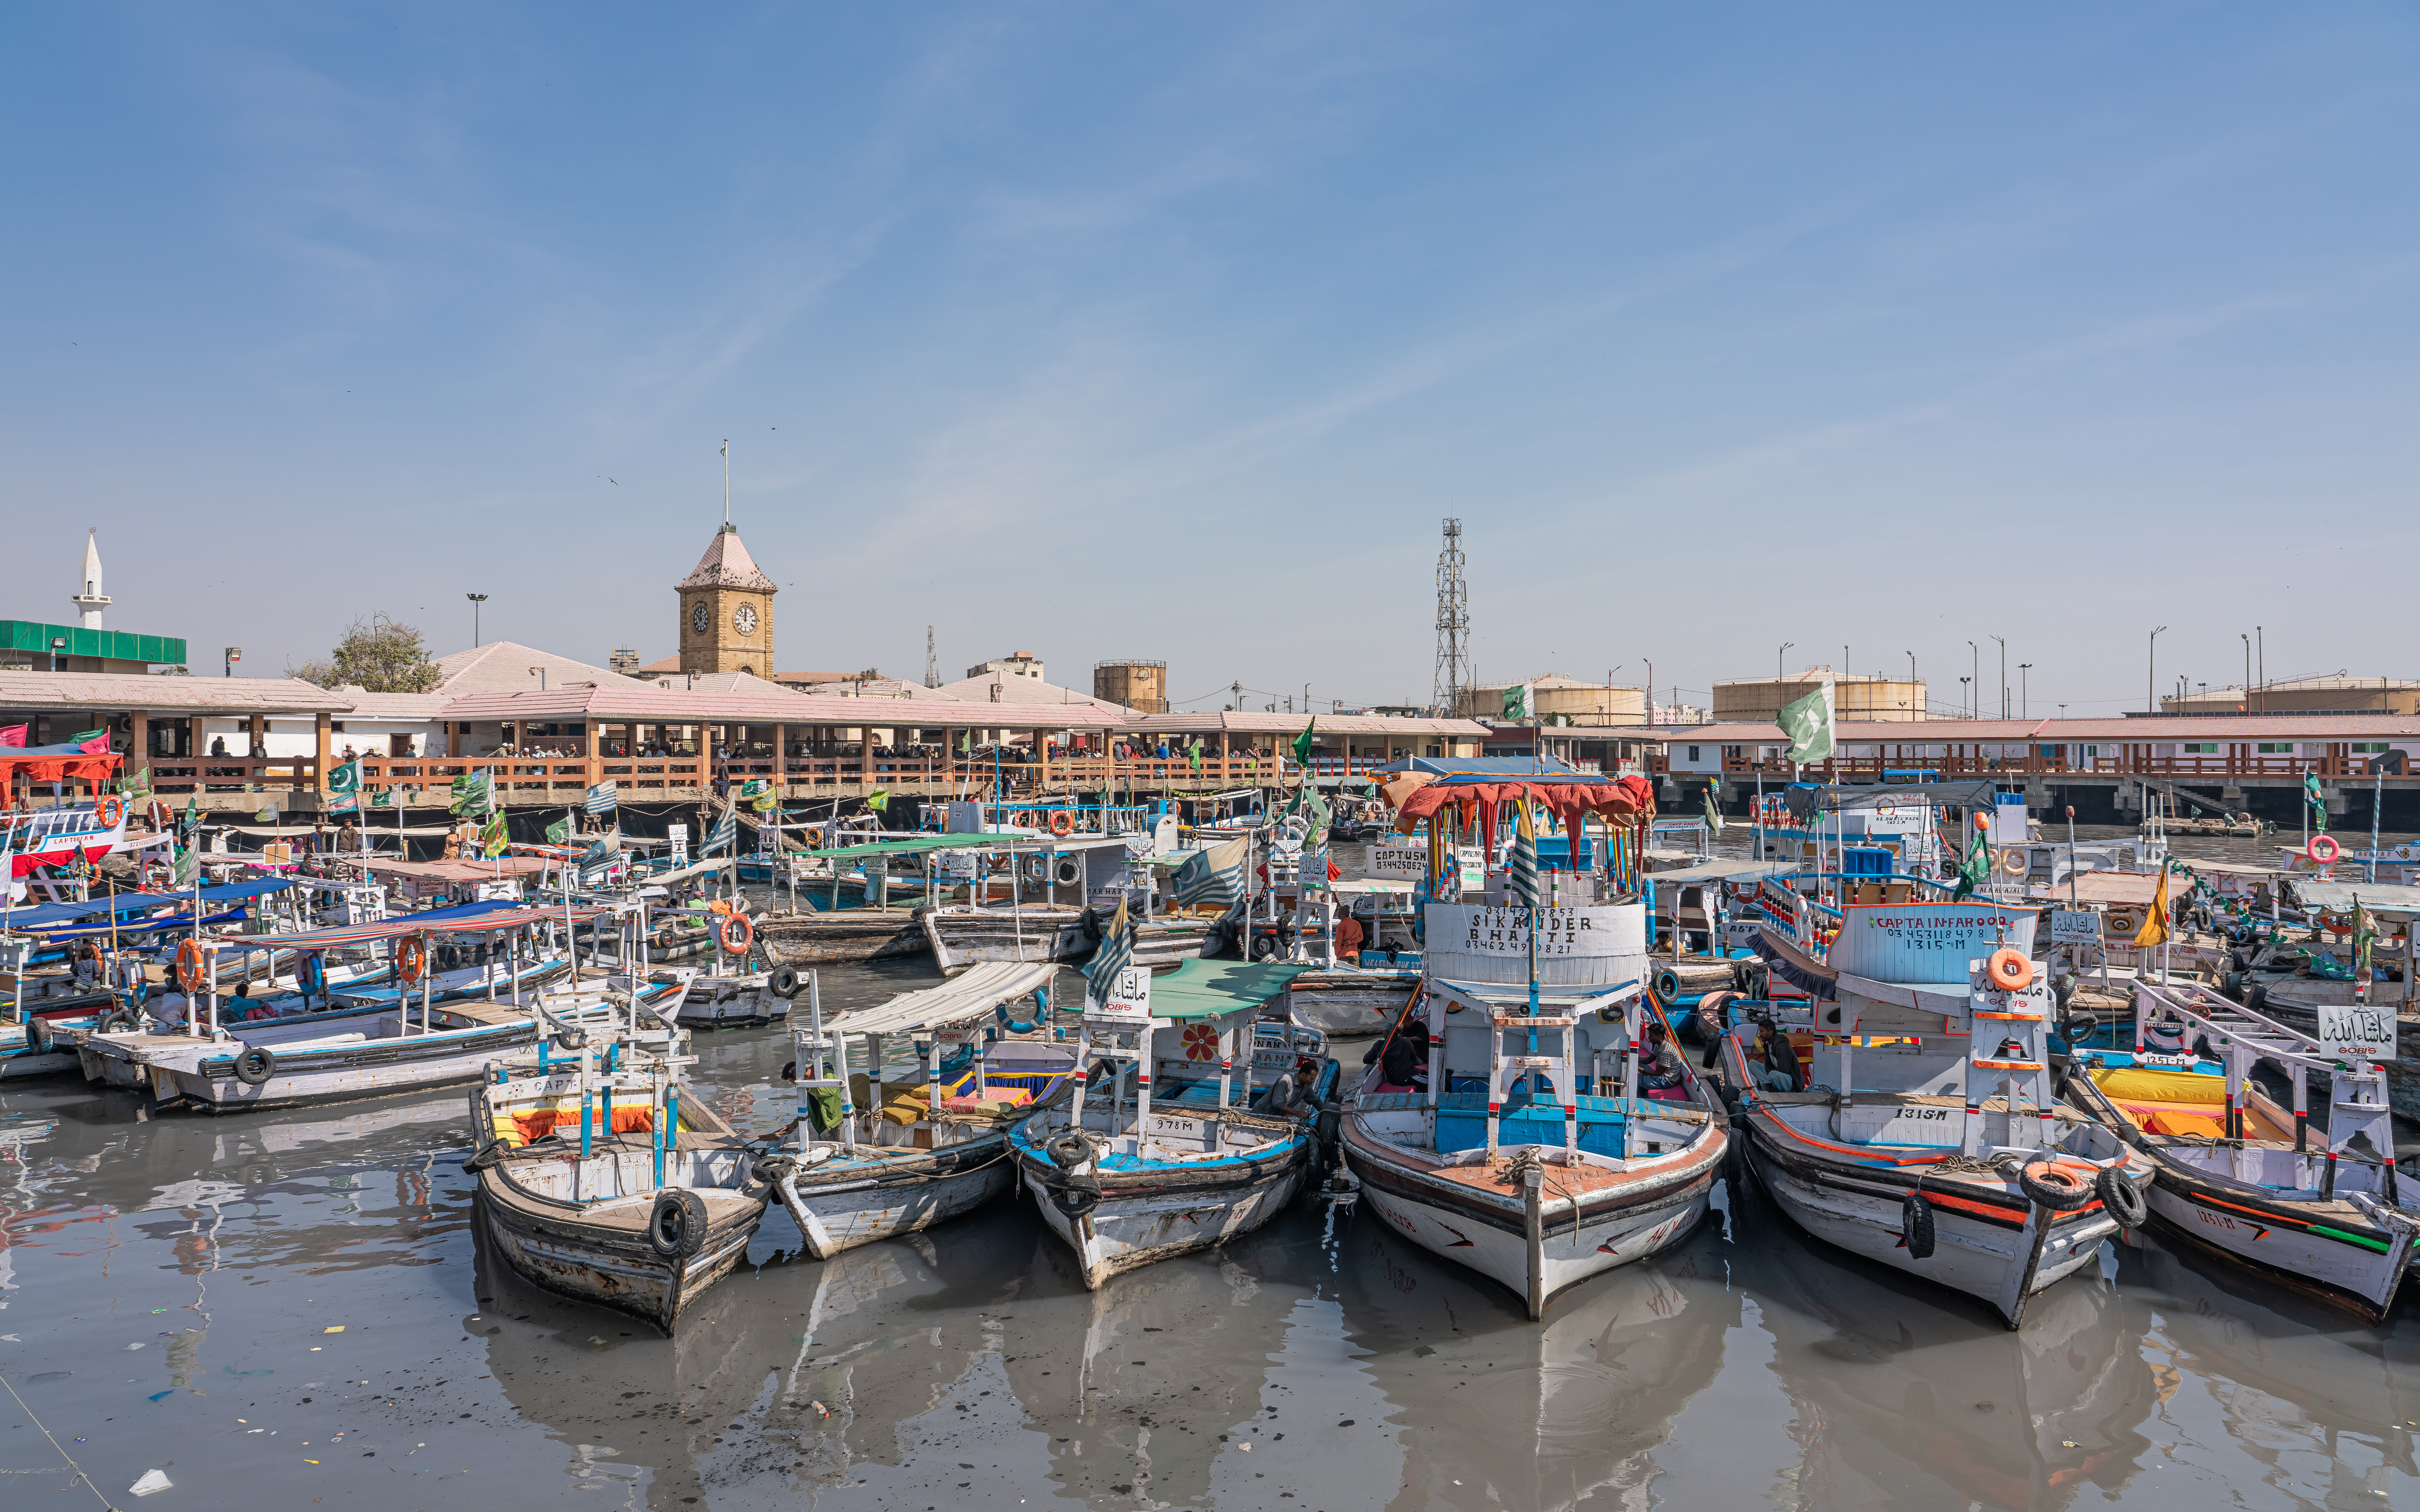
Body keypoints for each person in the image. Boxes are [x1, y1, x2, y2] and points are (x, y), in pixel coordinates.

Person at [1638, 1019, 1690, 1098]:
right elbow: (1649, 1060)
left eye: (1651, 1036)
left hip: (1667, 1081)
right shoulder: (1659, 1045)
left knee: (1635, 1078)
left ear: (1659, 1037)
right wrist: (1634, 1059)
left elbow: (1659, 1073)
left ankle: (1640, 1098)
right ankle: (1643, 1093)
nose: (1649, 1038)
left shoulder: (1666, 1051)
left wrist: (1641, 1070)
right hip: (1661, 1076)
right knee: (1638, 1064)